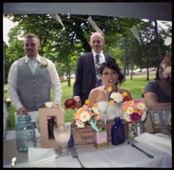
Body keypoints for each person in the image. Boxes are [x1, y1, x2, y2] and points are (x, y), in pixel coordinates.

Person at [8, 33, 62, 115]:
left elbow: (56, 85)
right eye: (27, 45)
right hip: (24, 112)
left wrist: (56, 101)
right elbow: (11, 87)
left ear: (38, 46)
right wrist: (19, 106)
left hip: (45, 112)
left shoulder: (48, 64)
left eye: (32, 44)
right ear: (24, 46)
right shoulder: (15, 66)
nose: (29, 47)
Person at [73, 32, 116, 108]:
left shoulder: (111, 60)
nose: (96, 44)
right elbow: (78, 81)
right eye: (93, 41)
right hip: (87, 98)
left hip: (107, 98)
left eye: (98, 41)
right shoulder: (83, 59)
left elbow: (116, 79)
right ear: (90, 43)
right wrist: (76, 96)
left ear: (103, 42)